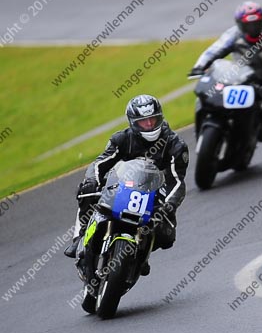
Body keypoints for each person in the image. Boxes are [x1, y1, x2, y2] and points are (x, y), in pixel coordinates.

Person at [64, 95, 189, 276]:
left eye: (152, 120)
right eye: (143, 122)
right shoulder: (121, 139)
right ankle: (80, 237)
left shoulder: (176, 145)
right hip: (120, 188)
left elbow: (176, 181)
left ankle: (140, 254)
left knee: (166, 237)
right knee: (87, 190)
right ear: (133, 122)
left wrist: (168, 205)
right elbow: (99, 164)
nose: (149, 125)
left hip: (154, 196)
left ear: (160, 117)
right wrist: (93, 180)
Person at [189, 1, 262, 141]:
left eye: (256, 24)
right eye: (248, 25)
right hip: (240, 77)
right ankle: (206, 125)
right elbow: (215, 50)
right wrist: (199, 66)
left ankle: (260, 125)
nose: (253, 28)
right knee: (209, 95)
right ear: (240, 24)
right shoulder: (233, 35)